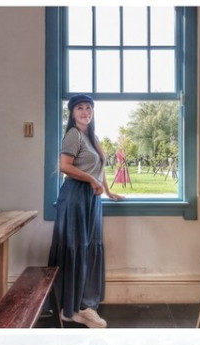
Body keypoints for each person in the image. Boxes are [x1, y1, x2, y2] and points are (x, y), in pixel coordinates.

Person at [48, 94, 124, 328]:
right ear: (72, 113)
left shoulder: (93, 137)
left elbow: (99, 169)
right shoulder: (73, 135)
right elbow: (64, 167)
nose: (85, 112)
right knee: (76, 250)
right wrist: (92, 181)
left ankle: (83, 305)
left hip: (91, 199)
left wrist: (108, 191)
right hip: (75, 197)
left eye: (89, 108)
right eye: (80, 108)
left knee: (88, 249)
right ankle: (70, 309)